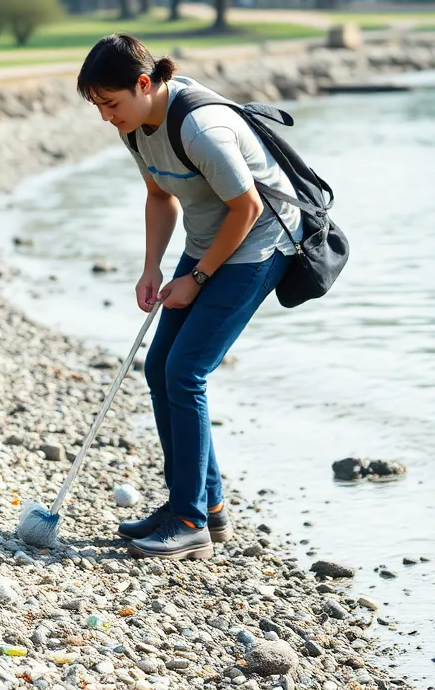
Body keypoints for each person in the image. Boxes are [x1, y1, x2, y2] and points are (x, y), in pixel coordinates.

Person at [76, 33, 299, 560]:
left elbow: (245, 209)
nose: (108, 117)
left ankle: (188, 520)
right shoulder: (135, 127)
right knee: (160, 368)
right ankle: (206, 506)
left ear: (144, 83)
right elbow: (159, 195)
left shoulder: (200, 127)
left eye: (112, 103)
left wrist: (196, 279)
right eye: (99, 108)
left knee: (186, 370)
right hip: (207, 242)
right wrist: (153, 267)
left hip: (261, 244)